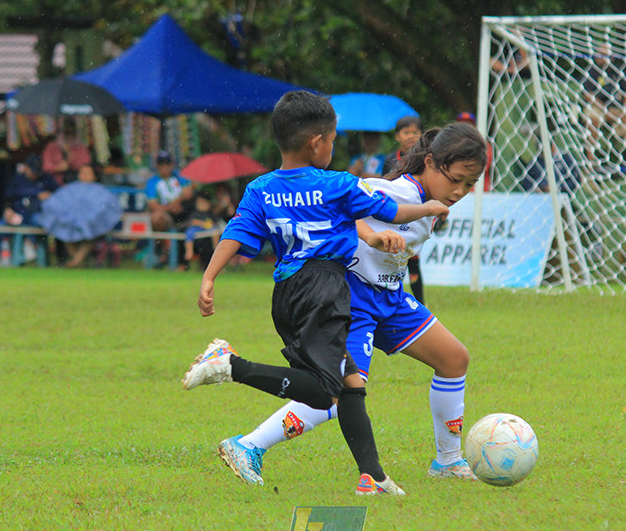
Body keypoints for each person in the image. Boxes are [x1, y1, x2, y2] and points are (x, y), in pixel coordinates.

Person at [181, 90, 448, 495]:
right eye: (334, 139)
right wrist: (428, 209)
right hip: (324, 288)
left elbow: (235, 233)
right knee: (325, 393)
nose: (334, 146)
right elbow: (391, 210)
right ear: (317, 143)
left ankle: (372, 476)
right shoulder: (337, 184)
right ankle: (229, 366)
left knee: (351, 380)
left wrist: (209, 277)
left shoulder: (262, 188)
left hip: (287, 293)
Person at [216, 122, 488, 486]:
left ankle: (448, 462)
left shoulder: (431, 203)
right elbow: (341, 206)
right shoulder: (393, 190)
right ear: (431, 163)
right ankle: (248, 445)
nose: (460, 191)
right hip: (351, 297)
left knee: (454, 359)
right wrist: (373, 235)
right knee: (340, 392)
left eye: (469, 185)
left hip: (389, 297)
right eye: (455, 179)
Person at [382, 115, 426, 302]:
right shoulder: (390, 160)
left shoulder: (425, 159)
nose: (411, 136)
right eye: (406, 132)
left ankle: (421, 303)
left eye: (415, 132)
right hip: (393, 215)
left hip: (415, 215)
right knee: (392, 258)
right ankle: (388, 295)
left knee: (413, 261)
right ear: (397, 136)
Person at [582, 44, 626, 172]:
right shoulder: (591, 71)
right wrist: (605, 110)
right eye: (599, 55)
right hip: (598, 108)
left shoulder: (617, 71)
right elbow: (588, 95)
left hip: (618, 109)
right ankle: (591, 163)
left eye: (605, 55)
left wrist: (625, 112)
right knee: (592, 119)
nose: (601, 58)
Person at [0, 154, 59, 266]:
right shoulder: (17, 180)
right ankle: (4, 257)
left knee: (41, 224)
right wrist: (8, 210)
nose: (35, 175)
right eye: (32, 171)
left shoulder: (46, 179)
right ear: (26, 167)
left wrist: (49, 196)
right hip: (17, 213)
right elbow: (8, 199)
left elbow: (59, 193)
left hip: (37, 214)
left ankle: (33, 249)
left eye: (37, 172)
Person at [145, 150, 194, 267]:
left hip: (183, 213)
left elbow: (188, 193)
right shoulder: (153, 182)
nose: (165, 167)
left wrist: (176, 202)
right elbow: (152, 204)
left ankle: (180, 260)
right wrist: (169, 208)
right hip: (166, 215)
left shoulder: (180, 176)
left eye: (167, 164)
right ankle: (161, 250)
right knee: (156, 218)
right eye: (162, 164)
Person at [41, 118, 92, 186]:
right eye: (67, 132)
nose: (70, 136)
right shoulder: (51, 147)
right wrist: (57, 167)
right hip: (54, 185)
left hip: (77, 184)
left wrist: (71, 158)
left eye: (72, 133)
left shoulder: (81, 147)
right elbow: (45, 167)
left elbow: (86, 166)